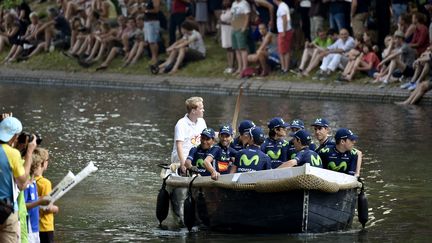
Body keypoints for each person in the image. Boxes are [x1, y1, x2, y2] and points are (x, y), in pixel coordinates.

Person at [0, 116, 36, 243]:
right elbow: (22, 183)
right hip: (6, 211)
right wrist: (29, 152)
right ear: (15, 137)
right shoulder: (12, 154)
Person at [171, 97, 207, 175]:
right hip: (182, 158)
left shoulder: (201, 121)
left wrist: (222, 134)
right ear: (193, 111)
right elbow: (179, 145)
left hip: (196, 157)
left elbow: (208, 135)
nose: (203, 110)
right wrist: (183, 164)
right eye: (201, 109)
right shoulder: (181, 124)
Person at [25, 149, 51, 243]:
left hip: (36, 228)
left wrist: (39, 200)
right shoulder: (26, 185)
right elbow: (23, 206)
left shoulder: (34, 183)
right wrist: (40, 202)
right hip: (30, 228)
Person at [34, 148, 59, 243]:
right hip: (45, 227)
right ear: (43, 163)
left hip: (33, 226)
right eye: (47, 160)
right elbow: (46, 207)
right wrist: (55, 209)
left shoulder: (29, 181)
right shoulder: (45, 183)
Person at [231, 0, 251, 76]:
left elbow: (247, 15)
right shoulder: (234, 3)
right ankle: (239, 67)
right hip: (235, 27)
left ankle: (245, 68)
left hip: (241, 27)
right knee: (236, 49)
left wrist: (244, 27)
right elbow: (232, 15)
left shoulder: (244, 3)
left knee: (242, 48)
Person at [273, 0, 293, 73]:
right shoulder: (282, 6)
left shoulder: (282, 7)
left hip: (284, 31)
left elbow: (285, 19)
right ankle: (283, 67)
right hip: (282, 31)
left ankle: (285, 68)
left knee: (284, 51)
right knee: (282, 51)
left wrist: (284, 31)